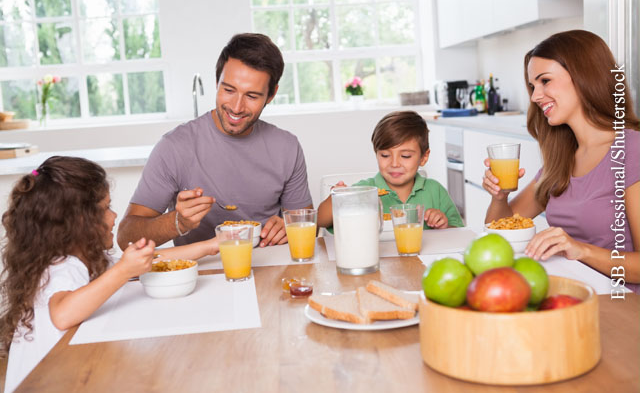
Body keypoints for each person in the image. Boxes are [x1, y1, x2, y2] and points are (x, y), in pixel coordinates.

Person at [0, 157, 220, 393]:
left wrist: (211, 245)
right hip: (46, 383)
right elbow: (62, 314)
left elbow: (152, 258)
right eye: (106, 208)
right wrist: (124, 270)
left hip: (70, 375)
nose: (114, 216)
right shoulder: (60, 266)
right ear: (79, 222)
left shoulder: (90, 259)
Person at [117, 33, 313, 251]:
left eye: (252, 96)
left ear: (271, 94)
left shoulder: (287, 148)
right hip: (203, 274)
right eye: (228, 90)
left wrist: (289, 226)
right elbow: (126, 238)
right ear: (217, 81)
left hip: (270, 268)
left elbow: (305, 223)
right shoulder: (174, 147)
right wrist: (177, 222)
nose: (236, 107)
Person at [482, 29, 640, 290]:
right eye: (533, 86)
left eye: (545, 81)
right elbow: (500, 230)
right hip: (569, 293)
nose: (535, 96)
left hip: (620, 306)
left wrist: (581, 250)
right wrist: (499, 196)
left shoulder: (632, 150)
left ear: (583, 75)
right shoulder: (561, 159)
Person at [317, 110, 464, 229]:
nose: (394, 163)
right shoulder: (364, 192)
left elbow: (458, 232)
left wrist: (444, 225)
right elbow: (321, 221)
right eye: (385, 155)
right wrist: (336, 198)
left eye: (405, 156)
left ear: (424, 157)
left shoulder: (435, 191)